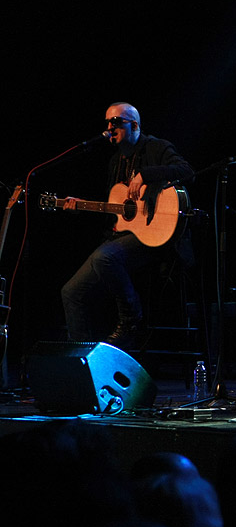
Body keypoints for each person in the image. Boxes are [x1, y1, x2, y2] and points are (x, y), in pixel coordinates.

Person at [61, 102, 195, 349]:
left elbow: (187, 171)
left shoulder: (156, 147)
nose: (110, 127)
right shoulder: (115, 161)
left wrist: (146, 174)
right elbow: (118, 211)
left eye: (116, 122)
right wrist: (82, 206)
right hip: (125, 237)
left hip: (159, 238)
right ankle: (84, 362)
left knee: (104, 259)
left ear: (134, 125)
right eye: (107, 122)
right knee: (71, 292)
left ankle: (131, 319)